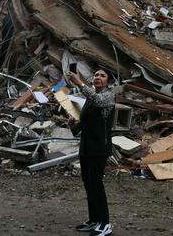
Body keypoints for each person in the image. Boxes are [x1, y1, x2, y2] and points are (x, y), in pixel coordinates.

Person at [68, 69, 115, 236]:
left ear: (108, 81)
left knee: (96, 185)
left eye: (102, 76)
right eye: (96, 75)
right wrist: (73, 124)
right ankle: (94, 220)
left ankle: (105, 223)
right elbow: (83, 124)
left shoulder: (108, 95)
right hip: (86, 147)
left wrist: (80, 82)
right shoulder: (89, 99)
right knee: (89, 184)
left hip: (99, 148)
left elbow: (99, 101)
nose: (98, 78)